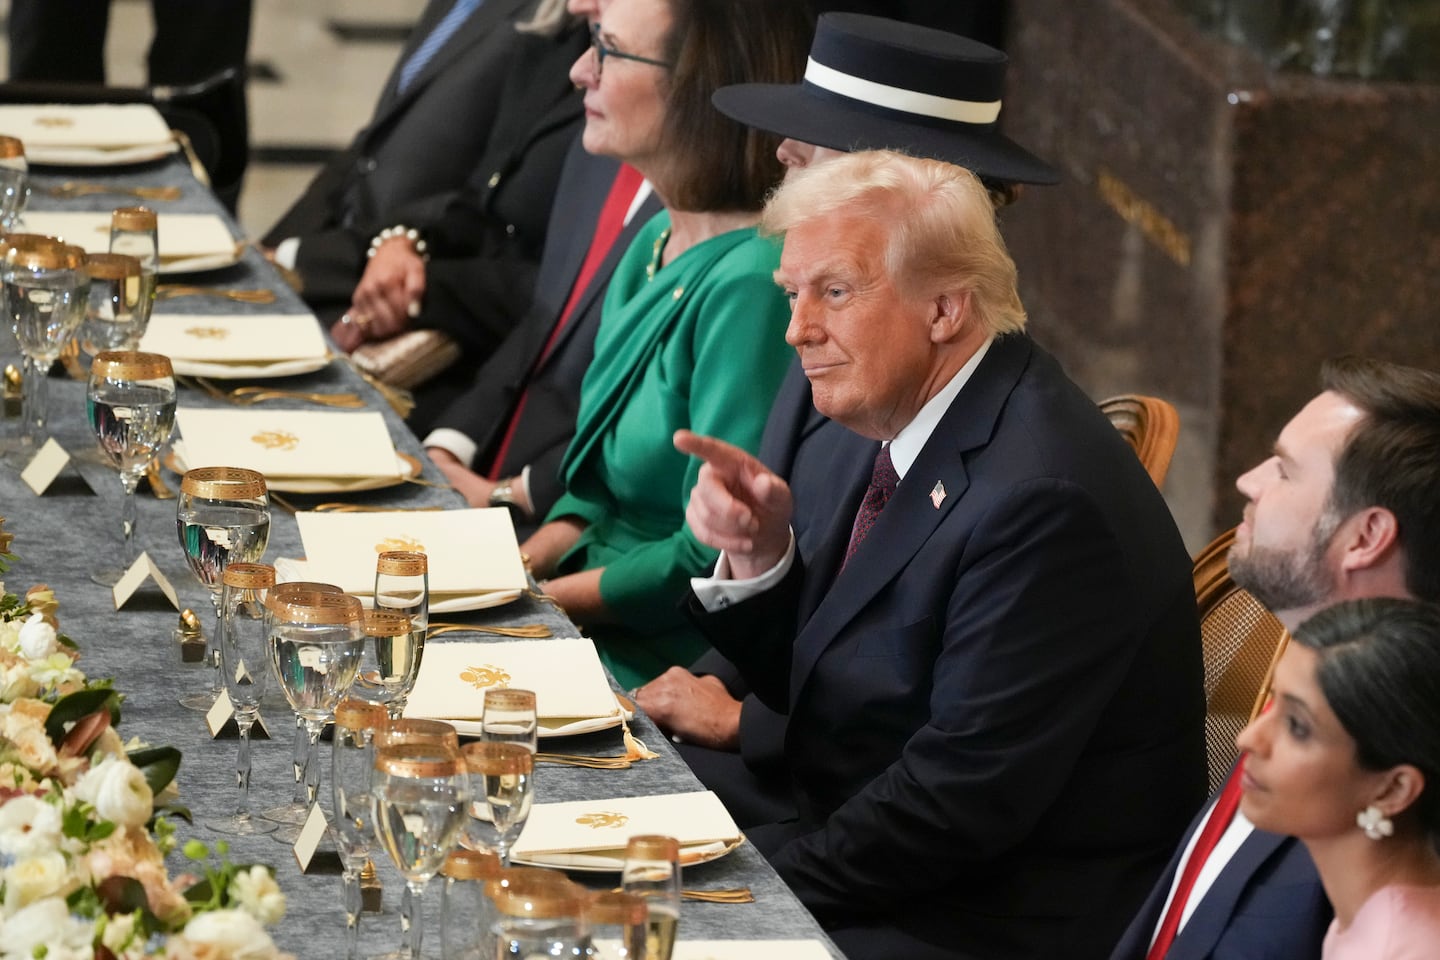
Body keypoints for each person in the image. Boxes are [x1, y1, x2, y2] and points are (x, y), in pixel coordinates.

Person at [678, 149, 1205, 960]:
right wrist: (760, 556)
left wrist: (744, 890)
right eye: (794, 294)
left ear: (946, 309)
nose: (797, 329)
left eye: (835, 292)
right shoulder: (903, 412)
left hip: (983, 917)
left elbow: (957, 802)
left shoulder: (1043, 500)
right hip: (870, 824)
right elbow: (849, 676)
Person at [628, 11, 1059, 826]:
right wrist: (758, 560)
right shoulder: (840, 352)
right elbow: (833, 641)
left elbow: (942, 782)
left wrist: (747, 729)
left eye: (816, 141)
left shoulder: (1028, 477)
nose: (783, 154)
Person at [513, 0, 811, 691]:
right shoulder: (654, 241)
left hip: (661, 653)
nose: (580, 70)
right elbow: (594, 493)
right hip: (582, 603)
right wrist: (516, 573)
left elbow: (705, 552)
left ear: (699, 89)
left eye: (609, 51)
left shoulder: (753, 283)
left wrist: (534, 607)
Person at [1111, 356, 1440, 960]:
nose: (1250, 481)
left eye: (1286, 471)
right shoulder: (1301, 682)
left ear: (1365, 537)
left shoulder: (1377, 809)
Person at [262, 0, 554, 312]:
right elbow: (371, 142)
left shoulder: (550, 17)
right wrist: (280, 245)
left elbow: (483, 200)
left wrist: (302, 258)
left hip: (384, 280)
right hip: (330, 248)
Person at [1235, 598, 1440, 958]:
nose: (1248, 738)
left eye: (1297, 726)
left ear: (1393, 789)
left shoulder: (1395, 947)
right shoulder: (1373, 919)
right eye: (1273, 703)